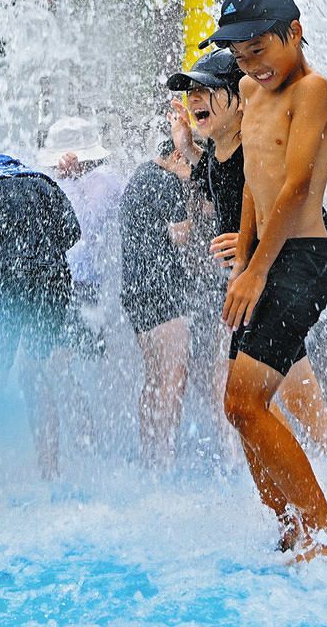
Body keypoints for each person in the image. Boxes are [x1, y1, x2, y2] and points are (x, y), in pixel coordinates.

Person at [200, 0, 327, 560]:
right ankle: (291, 527)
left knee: (244, 402)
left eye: (260, 50)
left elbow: (292, 188)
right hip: (265, 257)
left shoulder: (312, 89)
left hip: (302, 259)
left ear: (295, 33)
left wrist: (257, 271)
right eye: (241, 57)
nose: (251, 66)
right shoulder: (246, 88)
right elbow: (252, 180)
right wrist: (242, 257)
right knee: (239, 406)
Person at [172, 50, 327, 473]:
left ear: (241, 100)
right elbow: (208, 176)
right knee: (287, 406)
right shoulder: (221, 156)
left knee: (269, 407)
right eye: (191, 92)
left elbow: (306, 214)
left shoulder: (251, 154)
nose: (195, 99)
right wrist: (186, 146)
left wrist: (247, 242)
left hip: (278, 285)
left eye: (206, 90)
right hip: (256, 295)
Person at [0, 153, 80, 480]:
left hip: (8, 282)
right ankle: (49, 471)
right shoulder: (45, 183)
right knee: (35, 372)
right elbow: (72, 232)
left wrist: (9, 254)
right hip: (54, 281)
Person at [118, 110, 202, 468]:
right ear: (177, 156)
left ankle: (149, 454)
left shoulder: (140, 175)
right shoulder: (167, 181)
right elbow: (182, 236)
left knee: (153, 376)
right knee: (173, 375)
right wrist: (192, 196)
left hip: (136, 289)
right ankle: (165, 457)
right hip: (162, 288)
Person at [38, 116, 123, 358]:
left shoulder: (103, 180)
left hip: (82, 283)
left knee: (79, 357)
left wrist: (71, 181)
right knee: (55, 357)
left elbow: (85, 227)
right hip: (55, 280)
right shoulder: (54, 181)